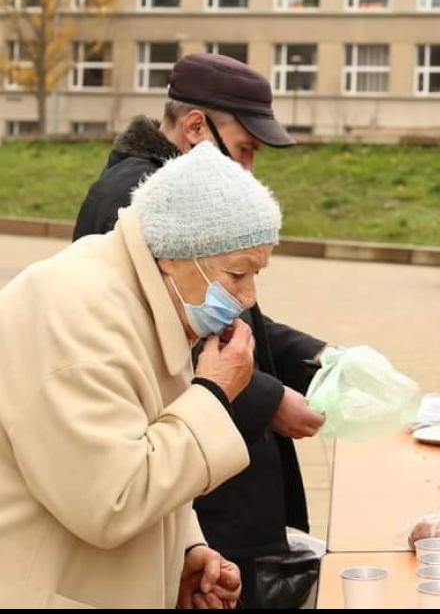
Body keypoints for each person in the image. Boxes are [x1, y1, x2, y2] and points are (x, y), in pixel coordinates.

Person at [73, 52, 327, 607]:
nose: (248, 171)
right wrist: (266, 398)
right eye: (243, 150)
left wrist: (316, 357)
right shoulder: (142, 197)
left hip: (195, 494)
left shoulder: (172, 192)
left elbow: (235, 317)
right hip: (202, 490)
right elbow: (174, 346)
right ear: (195, 127)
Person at [0, 142, 284, 608]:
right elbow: (113, 498)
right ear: (174, 255)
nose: (248, 296)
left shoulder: (139, 297)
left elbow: (143, 441)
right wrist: (213, 393)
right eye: (236, 274)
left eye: (256, 274)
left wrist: (182, 551)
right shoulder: (77, 313)